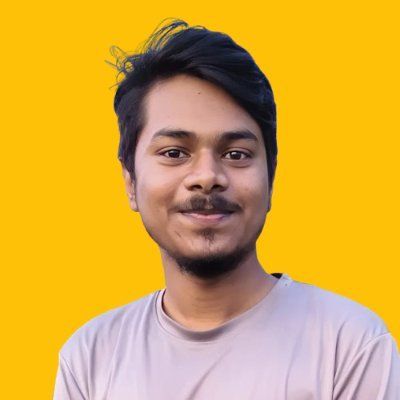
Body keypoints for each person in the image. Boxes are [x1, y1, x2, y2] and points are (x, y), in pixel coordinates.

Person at [53, 19, 400, 399]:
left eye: (236, 154)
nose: (207, 177)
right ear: (130, 182)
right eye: (174, 153)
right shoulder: (91, 358)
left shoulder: (349, 346)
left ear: (271, 178)